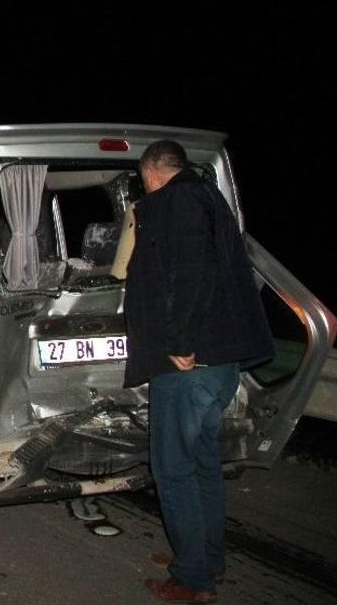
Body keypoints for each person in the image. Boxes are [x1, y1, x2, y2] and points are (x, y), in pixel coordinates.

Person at [124, 140, 273, 603]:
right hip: (219, 361)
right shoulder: (209, 197)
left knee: (173, 468)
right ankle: (207, 559)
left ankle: (192, 579)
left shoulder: (177, 200)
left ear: (151, 172)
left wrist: (180, 343)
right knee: (203, 462)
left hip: (191, 364)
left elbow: (188, 273)